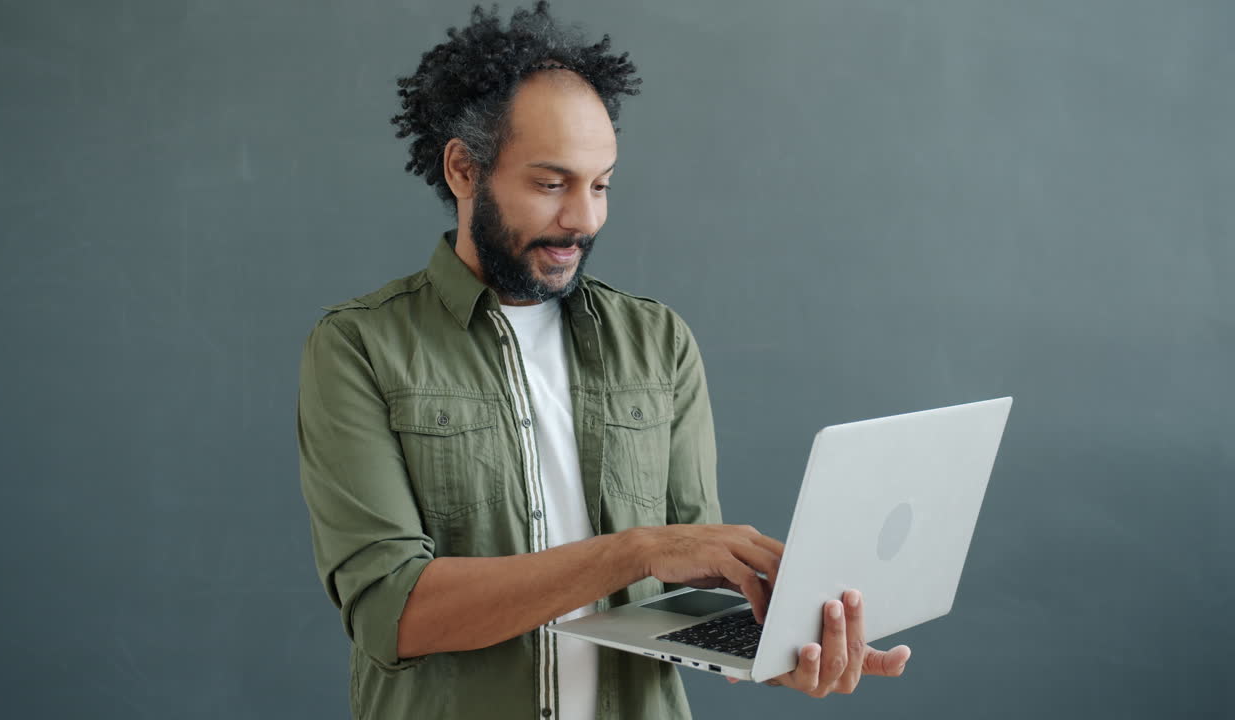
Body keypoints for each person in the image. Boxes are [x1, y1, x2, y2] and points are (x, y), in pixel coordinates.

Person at [297, 3, 911, 718]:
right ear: (465, 171)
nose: (585, 220)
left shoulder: (659, 343)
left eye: (602, 184)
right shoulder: (359, 347)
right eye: (552, 184)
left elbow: (688, 582)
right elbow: (393, 612)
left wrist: (782, 648)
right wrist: (634, 551)